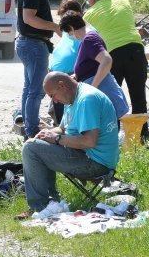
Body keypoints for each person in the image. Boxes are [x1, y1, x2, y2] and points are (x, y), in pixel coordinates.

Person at [15, 72, 120, 219]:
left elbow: (90, 141)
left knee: (30, 149)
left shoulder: (86, 100)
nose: (55, 101)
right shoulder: (72, 98)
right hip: (84, 154)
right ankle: (50, 203)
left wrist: (57, 138)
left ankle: (41, 206)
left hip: (96, 163)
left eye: (53, 95)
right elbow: (63, 129)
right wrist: (47, 134)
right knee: (37, 144)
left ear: (62, 85)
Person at [83, 0, 148, 132]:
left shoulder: (89, 14)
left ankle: (113, 135)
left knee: (112, 97)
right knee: (139, 97)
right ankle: (142, 137)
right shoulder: (123, 1)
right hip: (136, 50)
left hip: (113, 54)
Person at [16, 0, 62, 139]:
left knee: (29, 89)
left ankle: (28, 125)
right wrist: (55, 27)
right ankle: (32, 130)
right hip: (33, 45)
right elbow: (29, 18)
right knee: (36, 90)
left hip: (30, 44)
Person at [58, 12, 129, 120]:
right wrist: (76, 75)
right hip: (100, 99)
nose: (70, 36)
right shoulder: (86, 40)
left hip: (103, 97)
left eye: (69, 33)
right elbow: (91, 66)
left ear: (71, 28)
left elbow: (107, 60)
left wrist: (92, 88)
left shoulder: (89, 39)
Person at [48, 0, 84, 124]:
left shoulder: (82, 32)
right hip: (56, 73)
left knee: (69, 118)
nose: (62, 23)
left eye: (65, 17)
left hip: (70, 76)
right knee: (60, 117)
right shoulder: (66, 30)